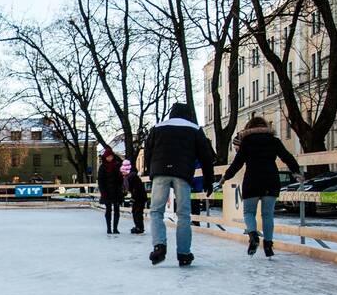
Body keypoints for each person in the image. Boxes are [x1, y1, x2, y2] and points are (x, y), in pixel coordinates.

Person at [143, 102, 217, 267]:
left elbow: (147, 151)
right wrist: (209, 180)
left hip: (160, 172)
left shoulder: (157, 127)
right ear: (188, 114)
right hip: (182, 174)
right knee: (183, 215)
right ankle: (183, 253)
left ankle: (159, 245)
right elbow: (206, 157)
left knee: (156, 211)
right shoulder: (194, 129)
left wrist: (151, 171)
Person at [220, 116, 302, 257]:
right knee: (267, 215)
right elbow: (287, 156)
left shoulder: (246, 142)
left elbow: (237, 163)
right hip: (271, 180)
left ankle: (253, 235)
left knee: (249, 213)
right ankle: (268, 245)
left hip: (252, 180)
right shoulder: (274, 141)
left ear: (249, 128)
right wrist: (296, 172)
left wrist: (225, 177)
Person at [97, 146, 124, 235]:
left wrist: (121, 186)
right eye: (108, 157)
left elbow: (120, 179)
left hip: (116, 191)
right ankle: (109, 228)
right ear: (105, 157)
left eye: (111, 156)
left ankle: (115, 228)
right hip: (107, 191)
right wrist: (103, 192)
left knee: (117, 209)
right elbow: (100, 181)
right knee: (108, 210)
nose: (109, 158)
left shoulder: (117, 165)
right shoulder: (102, 167)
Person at [122, 158, 147, 234]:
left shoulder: (131, 177)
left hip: (139, 197)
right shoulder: (129, 177)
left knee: (137, 212)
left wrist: (133, 198)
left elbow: (136, 189)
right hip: (139, 196)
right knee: (136, 212)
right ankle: (139, 226)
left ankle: (139, 227)